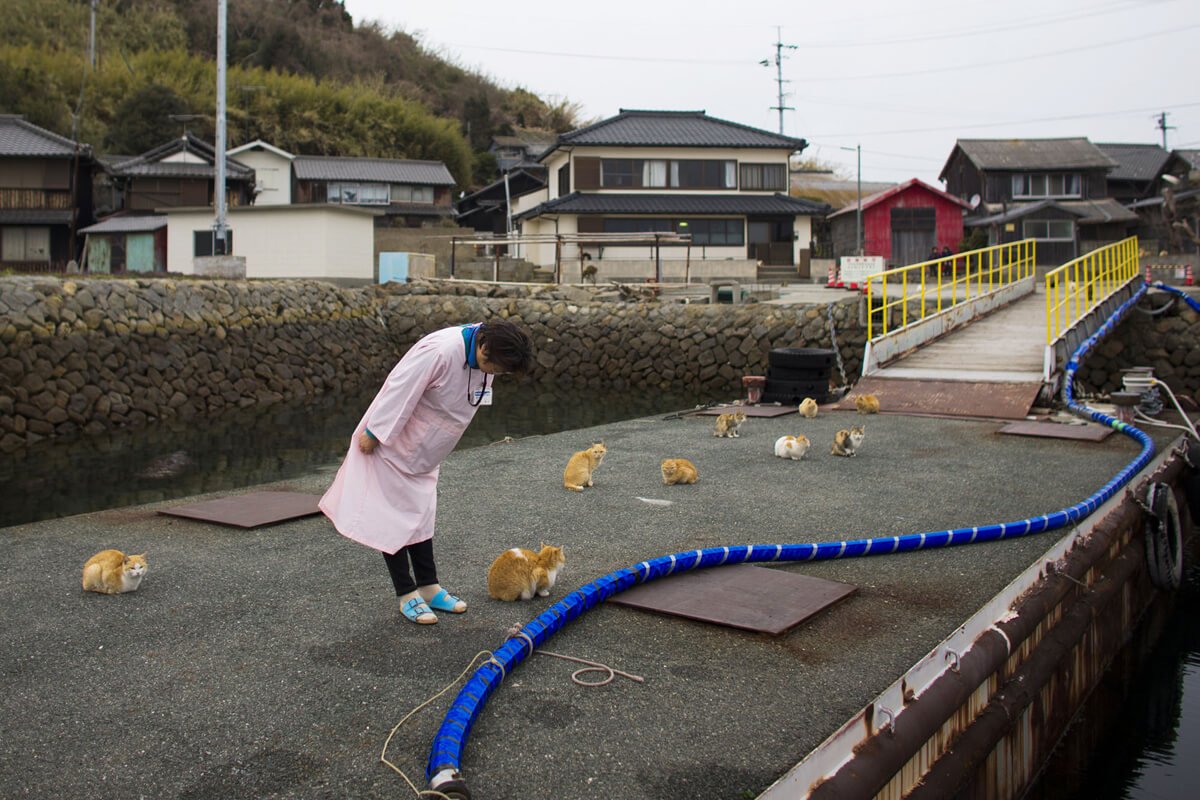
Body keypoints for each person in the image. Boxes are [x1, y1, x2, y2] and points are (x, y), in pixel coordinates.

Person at [319, 318, 535, 625]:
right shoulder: (440, 351)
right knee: (390, 520)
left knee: (421, 516)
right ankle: (406, 593)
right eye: (498, 369)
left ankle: (429, 586)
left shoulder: (488, 351)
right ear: (484, 349)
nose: (497, 375)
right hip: (395, 446)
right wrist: (375, 433)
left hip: (425, 452)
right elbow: (400, 389)